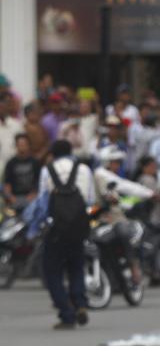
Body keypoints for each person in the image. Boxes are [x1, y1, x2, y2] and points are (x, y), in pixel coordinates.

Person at [38, 140, 95, 330]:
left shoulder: (48, 170)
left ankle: (66, 312)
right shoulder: (84, 169)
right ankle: (79, 302)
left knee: (51, 270)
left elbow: (42, 202)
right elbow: (90, 199)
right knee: (76, 266)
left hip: (57, 228)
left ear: (53, 153)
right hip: (79, 226)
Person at [94, 146, 156, 284]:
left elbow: (121, 193)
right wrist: (149, 193)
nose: (118, 165)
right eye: (115, 162)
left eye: (119, 162)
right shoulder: (102, 174)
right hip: (101, 215)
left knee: (123, 232)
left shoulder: (107, 176)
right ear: (107, 162)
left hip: (112, 215)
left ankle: (133, 265)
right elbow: (126, 186)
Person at [3, 134, 41, 210]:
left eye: (24, 144)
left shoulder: (35, 162)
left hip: (31, 196)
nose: (22, 147)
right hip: (15, 197)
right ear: (16, 146)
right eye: (20, 144)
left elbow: (39, 181)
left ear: (29, 145)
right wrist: (11, 197)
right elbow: (7, 184)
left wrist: (34, 194)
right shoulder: (10, 163)